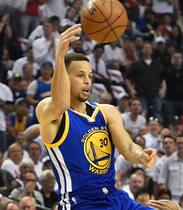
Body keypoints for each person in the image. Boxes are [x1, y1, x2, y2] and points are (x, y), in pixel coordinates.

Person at [35, 24, 155, 210]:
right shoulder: (50, 111)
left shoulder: (107, 111)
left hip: (115, 197)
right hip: (81, 203)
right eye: (80, 75)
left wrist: (140, 155)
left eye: (90, 76)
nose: (87, 81)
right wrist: (60, 55)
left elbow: (128, 147)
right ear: (64, 77)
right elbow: (60, 103)